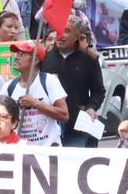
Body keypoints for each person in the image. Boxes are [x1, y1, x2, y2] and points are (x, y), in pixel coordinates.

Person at [40, 15, 104, 148]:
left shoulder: (89, 59)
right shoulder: (44, 58)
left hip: (77, 127)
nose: (61, 35)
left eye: (67, 31)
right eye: (58, 30)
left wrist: (91, 108)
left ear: (77, 36)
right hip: (47, 126)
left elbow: (98, 90)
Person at [6, 40, 68, 145]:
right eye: (16, 53)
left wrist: (36, 103)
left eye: (22, 54)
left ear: (35, 60)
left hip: (48, 151)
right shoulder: (8, 87)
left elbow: (64, 115)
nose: (16, 57)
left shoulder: (49, 81)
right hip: (21, 151)